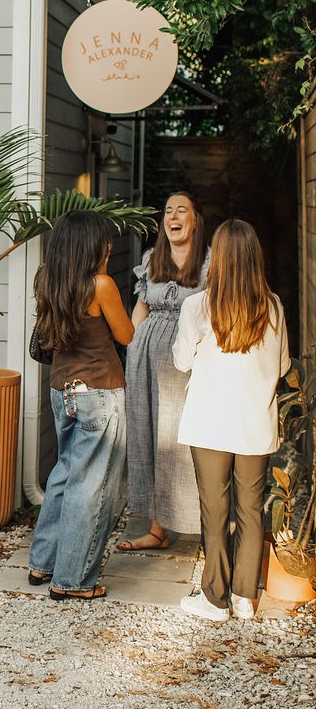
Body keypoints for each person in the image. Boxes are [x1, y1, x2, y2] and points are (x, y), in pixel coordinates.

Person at [173, 219, 290, 623]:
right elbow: (282, 366)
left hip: (209, 424)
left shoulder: (197, 307)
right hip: (255, 424)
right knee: (252, 510)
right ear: (255, 258)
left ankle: (214, 598)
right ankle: (243, 598)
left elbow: (181, 361)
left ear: (218, 258)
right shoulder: (273, 307)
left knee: (215, 510)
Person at [28, 211, 135, 601]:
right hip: (99, 392)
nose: (109, 246)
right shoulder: (100, 285)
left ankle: (43, 563)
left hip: (62, 390)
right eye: (105, 240)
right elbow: (126, 334)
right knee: (91, 486)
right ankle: (72, 580)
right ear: (93, 245)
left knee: (64, 475)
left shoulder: (46, 279)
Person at [118, 192, 208, 551]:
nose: (173, 216)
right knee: (150, 436)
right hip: (144, 359)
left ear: (195, 221)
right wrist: (130, 349)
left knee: (184, 441)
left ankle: (203, 526)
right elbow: (141, 308)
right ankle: (157, 529)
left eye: (182, 210)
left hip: (186, 362)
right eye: (169, 211)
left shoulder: (210, 263)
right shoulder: (151, 259)